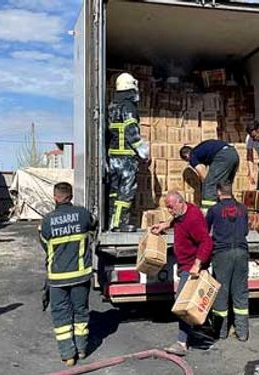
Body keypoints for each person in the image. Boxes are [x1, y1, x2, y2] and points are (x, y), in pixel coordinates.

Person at [39, 182, 97, 367]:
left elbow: (44, 245)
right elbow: (94, 225)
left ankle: (67, 355)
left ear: (55, 197)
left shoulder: (47, 221)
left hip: (57, 278)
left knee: (60, 315)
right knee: (80, 311)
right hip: (81, 275)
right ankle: (81, 349)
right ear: (71, 196)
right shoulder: (82, 214)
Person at [151, 191, 213, 356]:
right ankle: (199, 331)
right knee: (187, 303)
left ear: (180, 202)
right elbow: (178, 220)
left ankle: (182, 342)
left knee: (182, 304)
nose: (169, 210)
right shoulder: (183, 212)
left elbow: (206, 241)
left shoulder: (193, 219)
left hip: (191, 266)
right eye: (167, 208)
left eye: (171, 207)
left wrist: (197, 264)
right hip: (185, 264)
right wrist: (165, 225)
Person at [206, 182, 249, 341]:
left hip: (222, 254)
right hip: (241, 252)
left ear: (218, 192)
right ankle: (242, 332)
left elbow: (205, 232)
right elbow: (245, 230)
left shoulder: (214, 210)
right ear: (231, 191)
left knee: (221, 293)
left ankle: (221, 332)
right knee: (240, 292)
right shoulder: (243, 208)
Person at [107, 72, 149, 231]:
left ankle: (111, 221)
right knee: (126, 191)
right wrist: (143, 151)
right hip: (126, 157)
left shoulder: (112, 106)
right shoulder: (128, 106)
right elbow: (131, 130)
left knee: (114, 192)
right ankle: (119, 223)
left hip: (113, 157)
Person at [179, 140, 239, 208]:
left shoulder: (192, 155)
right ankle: (232, 210)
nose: (189, 162)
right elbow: (206, 172)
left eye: (187, 161)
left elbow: (203, 174)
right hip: (233, 154)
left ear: (186, 156)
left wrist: (205, 187)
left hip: (223, 156)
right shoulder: (201, 151)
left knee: (209, 185)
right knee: (225, 186)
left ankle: (208, 211)